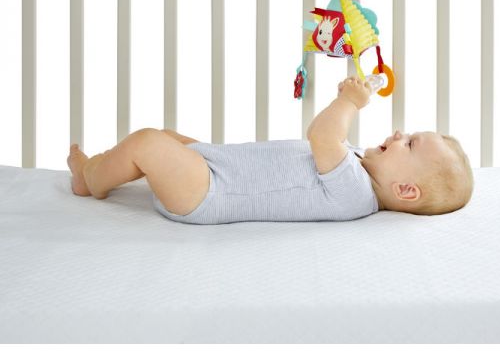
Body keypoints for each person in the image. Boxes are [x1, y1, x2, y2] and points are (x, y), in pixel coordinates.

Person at [67, 77, 473, 224]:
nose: (400, 133)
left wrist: (349, 102)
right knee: (165, 136)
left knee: (146, 143)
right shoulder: (357, 166)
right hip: (216, 165)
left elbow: (322, 136)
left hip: (209, 192)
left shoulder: (356, 192)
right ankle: (105, 165)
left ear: (405, 190)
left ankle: (91, 179)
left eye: (410, 143)